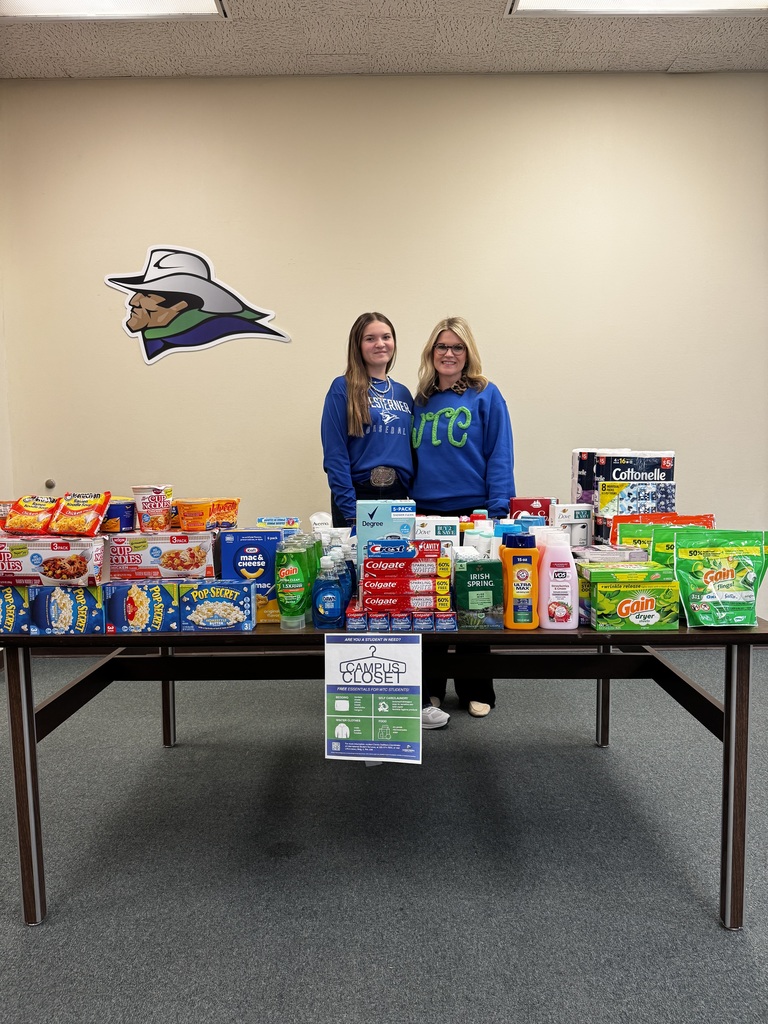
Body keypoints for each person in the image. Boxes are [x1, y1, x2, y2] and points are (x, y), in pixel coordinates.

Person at [321, 312, 449, 730]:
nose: (380, 344)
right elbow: (335, 454)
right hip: (359, 497)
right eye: (371, 338)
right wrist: (348, 507)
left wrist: (413, 500)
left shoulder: (403, 394)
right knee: (361, 593)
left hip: (399, 499)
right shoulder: (342, 389)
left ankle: (407, 693)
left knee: (397, 591)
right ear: (358, 345)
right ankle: (360, 693)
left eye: (387, 337)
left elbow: (413, 452)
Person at [411, 315, 515, 718]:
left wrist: (498, 511)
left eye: (457, 347)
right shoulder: (419, 400)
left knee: (477, 603)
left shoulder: (485, 394)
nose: (449, 353)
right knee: (431, 603)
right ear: (431, 353)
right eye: (442, 347)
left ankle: (477, 688)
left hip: (474, 513)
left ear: (467, 352)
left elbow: (499, 454)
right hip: (425, 513)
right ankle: (432, 686)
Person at [107, 247, 289, 364]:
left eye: (146, 295)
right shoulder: (161, 340)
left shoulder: (227, 340)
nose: (133, 301)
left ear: (179, 305)